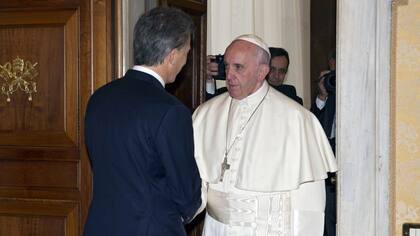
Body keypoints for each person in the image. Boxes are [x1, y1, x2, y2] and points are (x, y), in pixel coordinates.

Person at [193, 34, 337, 235]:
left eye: (239, 67)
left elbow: (309, 204)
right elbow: (196, 182)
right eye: (227, 66)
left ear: (262, 72)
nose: (229, 75)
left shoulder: (296, 119)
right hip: (215, 229)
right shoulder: (206, 113)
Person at [83, 7, 202, 236]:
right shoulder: (171, 111)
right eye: (187, 53)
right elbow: (187, 197)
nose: (186, 62)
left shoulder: (99, 98)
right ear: (172, 56)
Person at [310, 49, 337, 236]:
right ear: (331, 63)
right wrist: (322, 95)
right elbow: (313, 128)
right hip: (328, 165)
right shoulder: (329, 86)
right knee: (327, 219)